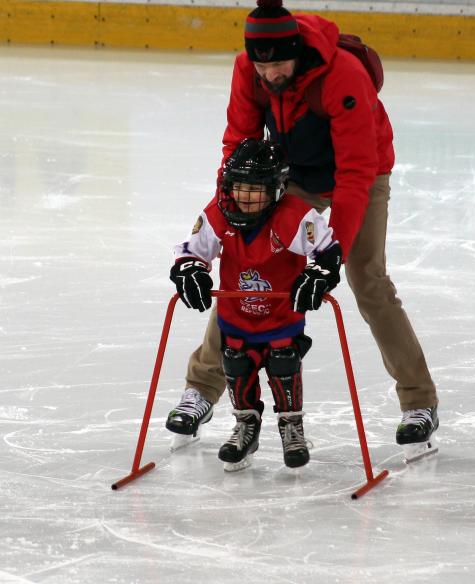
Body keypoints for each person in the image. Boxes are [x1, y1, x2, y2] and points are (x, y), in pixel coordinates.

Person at [167, 0, 439, 454]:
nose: (270, 76)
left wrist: (332, 256)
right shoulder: (249, 70)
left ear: (296, 51)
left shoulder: (343, 76)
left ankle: (419, 402)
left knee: (366, 278)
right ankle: (202, 388)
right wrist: (228, 214)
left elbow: (354, 174)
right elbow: (238, 143)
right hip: (293, 175)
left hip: (363, 173)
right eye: (261, 66)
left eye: (279, 66)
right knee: (245, 262)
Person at [169, 138, 340, 469]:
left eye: (255, 188)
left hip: (280, 318)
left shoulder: (293, 216)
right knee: (236, 364)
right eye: (239, 187)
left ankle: (292, 428)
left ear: (276, 188)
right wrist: (189, 269)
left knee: (283, 365)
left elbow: (325, 248)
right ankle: (245, 427)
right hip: (236, 318)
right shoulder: (219, 212)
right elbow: (194, 249)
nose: (244, 197)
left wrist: (321, 271)